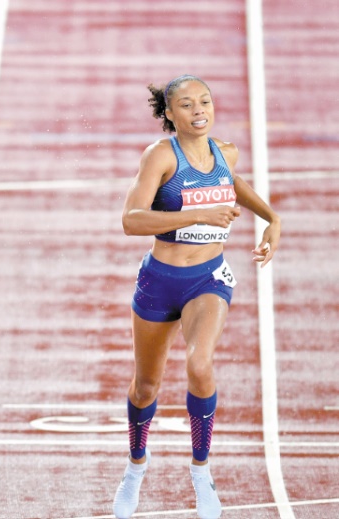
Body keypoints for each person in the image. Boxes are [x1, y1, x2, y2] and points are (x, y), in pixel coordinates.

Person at [111, 75, 281, 518]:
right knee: (146, 386)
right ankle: (135, 468)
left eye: (204, 100)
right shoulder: (161, 156)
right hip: (159, 279)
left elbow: (234, 180)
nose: (198, 109)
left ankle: (201, 472)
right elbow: (130, 220)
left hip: (208, 279)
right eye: (185, 104)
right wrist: (200, 212)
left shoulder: (226, 152)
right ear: (169, 114)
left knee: (198, 363)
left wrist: (271, 217)